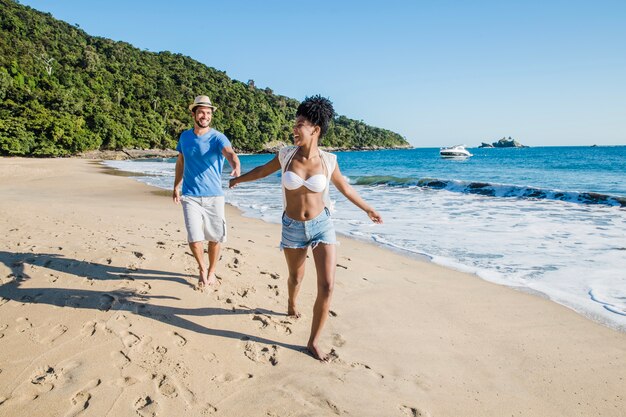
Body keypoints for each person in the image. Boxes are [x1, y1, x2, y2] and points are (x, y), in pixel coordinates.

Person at [229, 95, 382, 361]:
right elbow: (263, 171)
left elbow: (344, 188)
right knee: (296, 278)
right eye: (295, 123)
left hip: (322, 225)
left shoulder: (329, 161)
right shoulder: (287, 155)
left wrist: (367, 208)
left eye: (300, 124)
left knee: (328, 285)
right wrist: (239, 180)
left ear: (315, 129)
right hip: (292, 227)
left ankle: (312, 342)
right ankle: (291, 303)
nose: (294, 128)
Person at [173, 95, 240, 290]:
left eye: (208, 113)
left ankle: (212, 271)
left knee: (215, 237)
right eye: (201, 112)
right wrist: (176, 186)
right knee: (194, 238)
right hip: (190, 195)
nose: (205, 116)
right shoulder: (185, 137)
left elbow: (230, 153)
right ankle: (202, 269)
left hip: (214, 197)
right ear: (193, 113)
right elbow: (180, 162)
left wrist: (235, 165)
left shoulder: (218, 137)